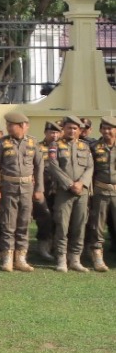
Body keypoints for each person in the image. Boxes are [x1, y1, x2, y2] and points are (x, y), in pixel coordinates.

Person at [48, 115, 94, 273]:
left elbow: (90, 167)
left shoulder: (84, 146)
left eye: (75, 128)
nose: (72, 131)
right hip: (64, 191)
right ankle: (61, 258)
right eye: (69, 128)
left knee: (79, 225)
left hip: (82, 192)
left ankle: (75, 258)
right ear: (64, 129)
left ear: (79, 130)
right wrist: (69, 184)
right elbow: (53, 166)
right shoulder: (55, 145)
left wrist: (81, 183)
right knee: (62, 225)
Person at [85, 116, 116, 272]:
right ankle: (97, 256)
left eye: (110, 128)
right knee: (97, 224)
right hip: (100, 190)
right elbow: (89, 169)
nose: (106, 131)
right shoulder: (94, 147)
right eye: (104, 128)